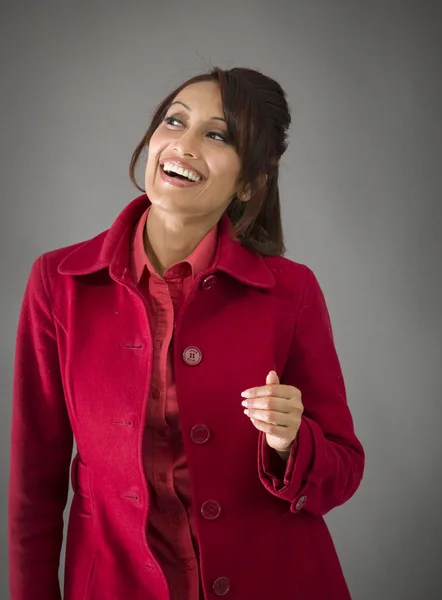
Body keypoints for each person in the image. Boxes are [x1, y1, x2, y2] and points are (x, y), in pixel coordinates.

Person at [8, 66, 365, 600]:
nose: (185, 144)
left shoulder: (292, 291)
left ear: (250, 181)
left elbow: (343, 468)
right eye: (175, 121)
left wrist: (292, 443)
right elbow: (33, 487)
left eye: (217, 135)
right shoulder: (58, 284)